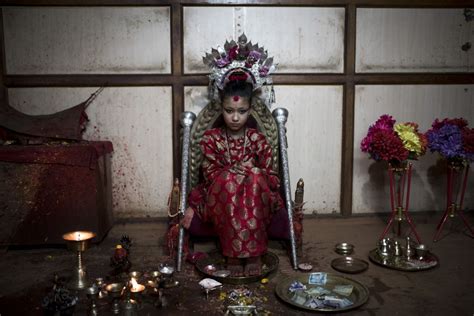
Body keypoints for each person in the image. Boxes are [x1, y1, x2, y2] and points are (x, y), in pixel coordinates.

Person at [180, 75, 283, 276]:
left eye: (241, 111)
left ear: (250, 110)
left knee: (254, 176)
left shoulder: (258, 140)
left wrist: (253, 171)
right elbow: (209, 175)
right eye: (229, 111)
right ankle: (233, 255)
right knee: (228, 180)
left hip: (255, 194)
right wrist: (233, 172)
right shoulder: (212, 139)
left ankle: (254, 254)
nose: (235, 117)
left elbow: (272, 177)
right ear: (221, 108)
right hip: (222, 194)